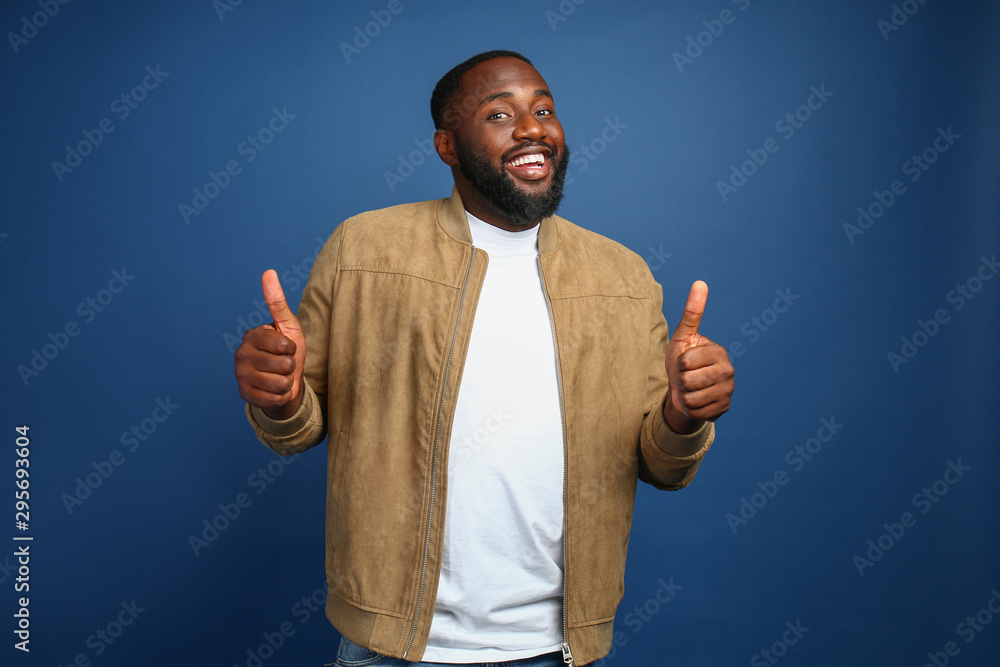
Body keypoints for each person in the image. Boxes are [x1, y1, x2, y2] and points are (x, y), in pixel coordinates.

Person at [234, 50, 734, 667]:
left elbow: (664, 464)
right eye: (501, 114)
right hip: (391, 646)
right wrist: (280, 398)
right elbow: (298, 429)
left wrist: (685, 416)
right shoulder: (363, 249)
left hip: (555, 648)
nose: (533, 128)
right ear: (447, 145)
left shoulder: (622, 276)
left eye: (544, 109)